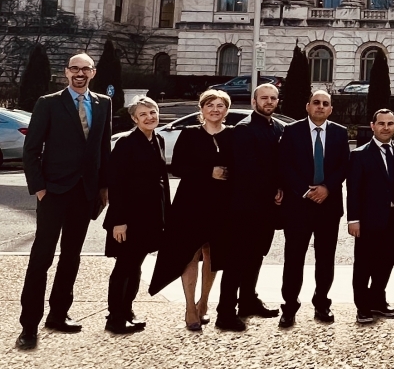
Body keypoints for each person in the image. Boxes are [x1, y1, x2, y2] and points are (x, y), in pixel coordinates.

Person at [18, 53, 112, 351]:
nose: (80, 73)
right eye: (74, 68)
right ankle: (29, 325)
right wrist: (39, 188)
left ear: (93, 73)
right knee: (41, 258)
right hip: (53, 191)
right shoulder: (48, 103)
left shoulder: (103, 103)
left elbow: (103, 147)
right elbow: (31, 149)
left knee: (71, 256)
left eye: (85, 69)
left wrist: (103, 186)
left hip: (85, 193)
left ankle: (58, 315)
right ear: (66, 72)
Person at [148, 89, 234, 330]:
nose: (215, 109)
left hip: (221, 203)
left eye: (220, 105)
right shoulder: (190, 134)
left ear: (226, 110)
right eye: (210, 105)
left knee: (213, 254)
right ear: (202, 109)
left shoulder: (234, 135)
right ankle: (189, 308)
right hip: (191, 203)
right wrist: (208, 172)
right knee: (190, 254)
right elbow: (177, 167)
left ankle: (204, 303)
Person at [215, 83, 285, 332]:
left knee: (256, 256)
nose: (269, 102)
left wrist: (281, 188)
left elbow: (280, 164)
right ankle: (225, 312)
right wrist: (273, 189)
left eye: (273, 98)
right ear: (254, 101)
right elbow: (247, 170)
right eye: (264, 98)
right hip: (244, 207)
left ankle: (247, 301)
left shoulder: (278, 128)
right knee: (236, 259)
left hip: (267, 208)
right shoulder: (244, 129)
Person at [278, 90, 350, 328]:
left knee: (326, 258)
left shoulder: (340, 132)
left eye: (325, 103)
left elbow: (344, 166)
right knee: (294, 258)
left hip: (328, 206)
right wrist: (305, 190)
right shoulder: (291, 131)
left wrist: (327, 188)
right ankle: (289, 306)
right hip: (298, 205)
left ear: (331, 109)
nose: (320, 106)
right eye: (316, 102)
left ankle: (322, 303)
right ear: (307, 106)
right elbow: (284, 165)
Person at [103, 97, 171, 334]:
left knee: (135, 266)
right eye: (143, 114)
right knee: (124, 266)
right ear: (134, 119)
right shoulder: (126, 143)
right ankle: (115, 318)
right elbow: (116, 183)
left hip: (150, 216)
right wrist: (119, 221)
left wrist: (167, 214)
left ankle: (127, 310)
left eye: (152, 112)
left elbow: (162, 180)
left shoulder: (158, 139)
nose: (149, 117)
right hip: (129, 217)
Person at [348, 109, 394, 324]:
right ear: (372, 126)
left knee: (386, 262)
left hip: (393, 218)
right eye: (381, 123)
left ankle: (378, 301)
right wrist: (353, 219)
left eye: (390, 123)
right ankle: (362, 307)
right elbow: (353, 190)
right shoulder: (360, 154)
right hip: (367, 220)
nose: (386, 128)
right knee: (364, 264)